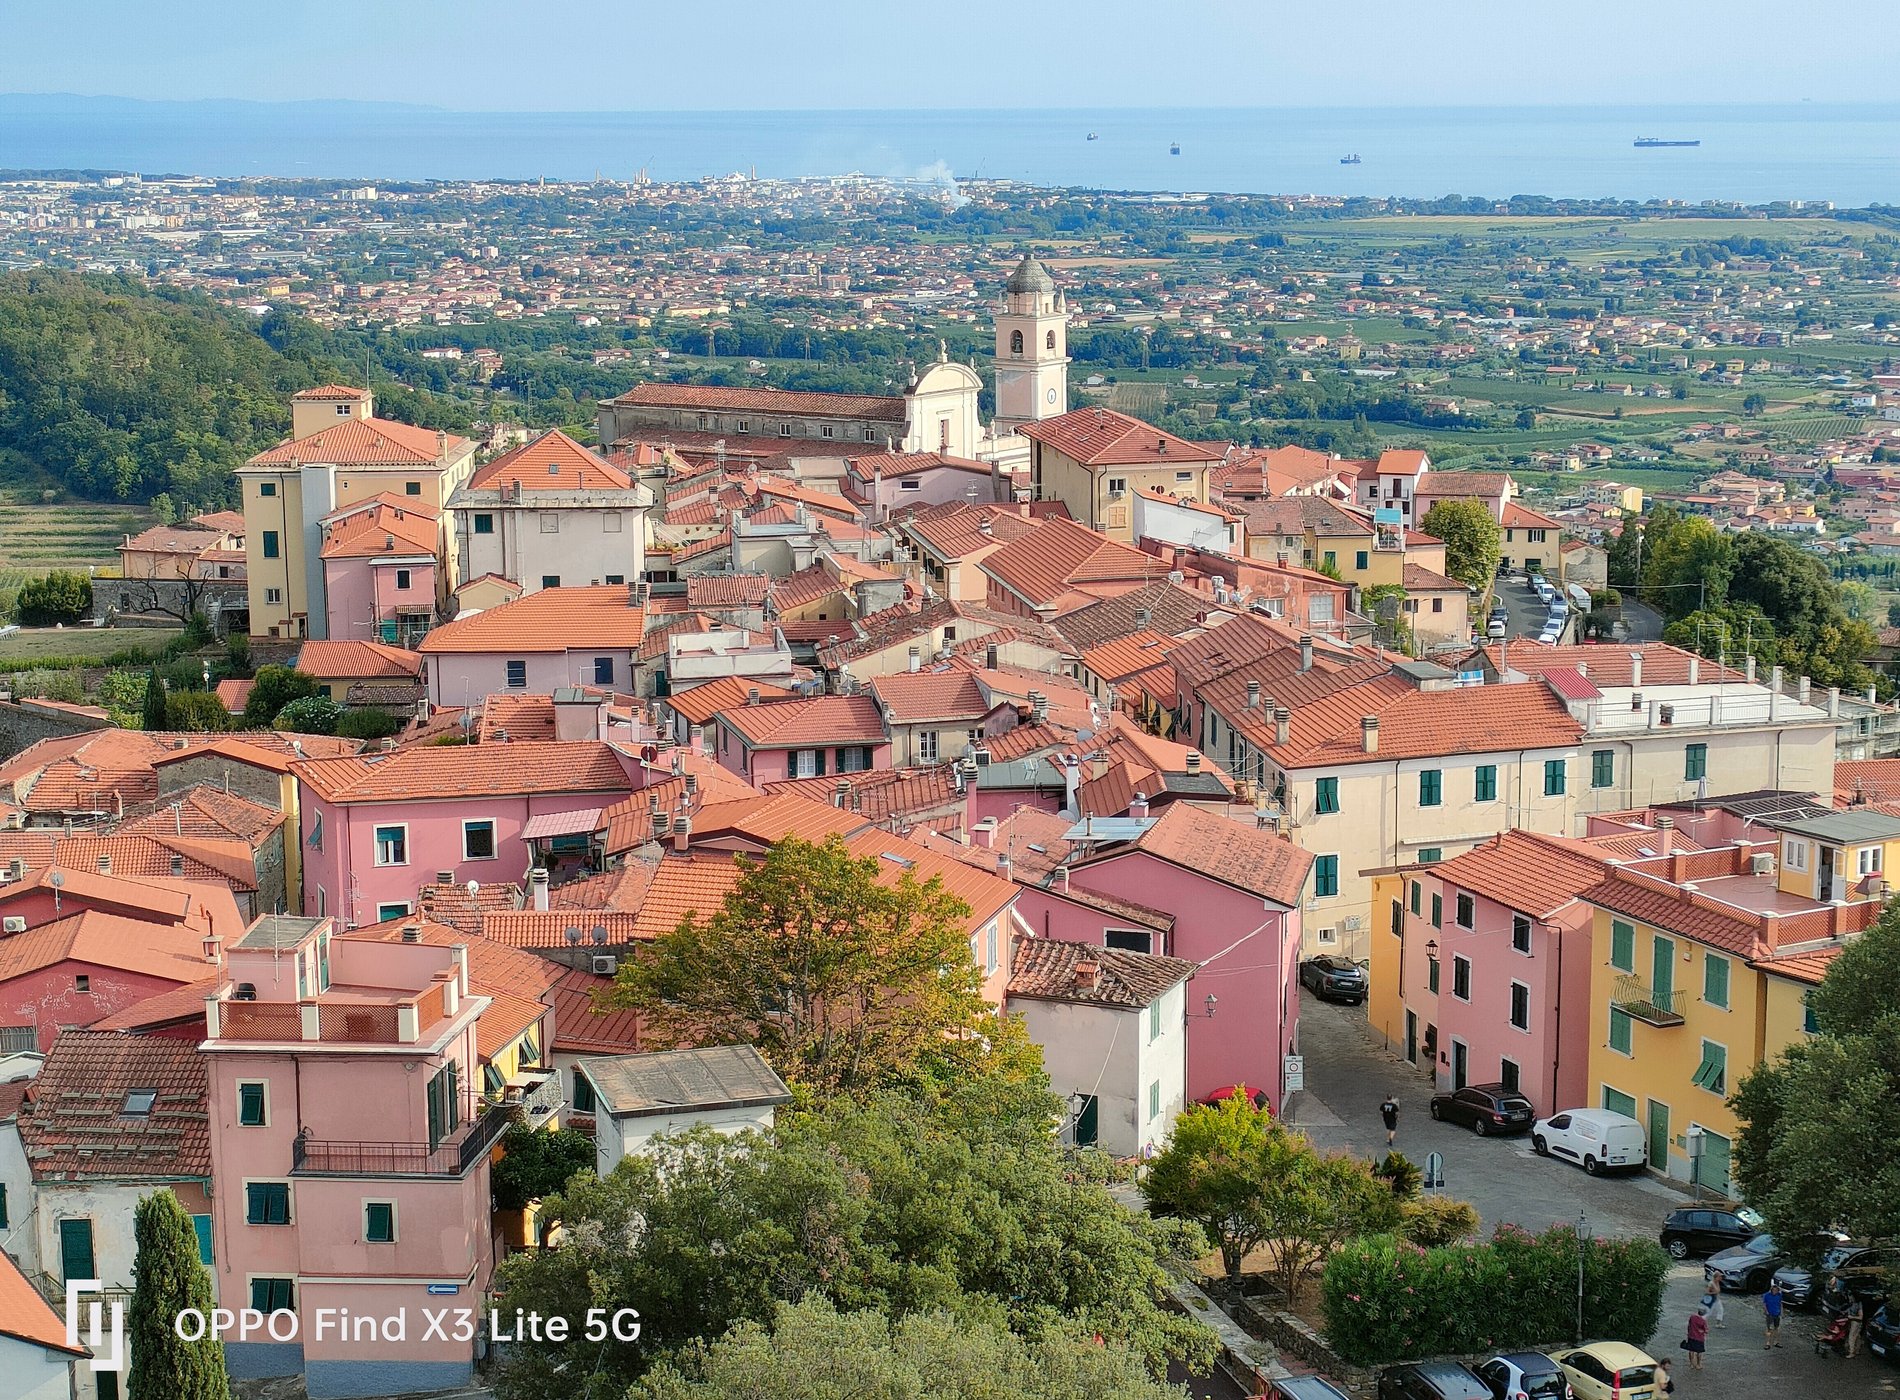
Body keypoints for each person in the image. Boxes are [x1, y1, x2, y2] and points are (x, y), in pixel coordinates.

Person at [1684, 1305, 1708, 1370]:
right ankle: (1698, 1364)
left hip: (1691, 1336)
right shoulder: (1703, 1320)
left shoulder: (1692, 1317)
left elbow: (1689, 1325)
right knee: (1699, 1352)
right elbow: (1706, 1330)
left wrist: (1689, 1333)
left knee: (1691, 1350)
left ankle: (1691, 1364)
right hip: (1699, 1338)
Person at [1762, 1278, 1783, 1348]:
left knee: (1776, 1328)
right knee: (1769, 1329)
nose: (1775, 1291)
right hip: (1770, 1314)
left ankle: (1776, 1342)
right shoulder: (1767, 1295)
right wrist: (1766, 1312)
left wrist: (1780, 1311)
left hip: (1776, 1314)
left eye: (1776, 1290)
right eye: (1774, 1289)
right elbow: (1764, 1304)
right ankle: (1767, 1343)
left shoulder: (1779, 1295)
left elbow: (1780, 1303)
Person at [1845, 1292, 1866, 1359]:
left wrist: (1852, 1317)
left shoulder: (1858, 1304)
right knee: (1857, 1336)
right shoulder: (1851, 1303)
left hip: (1856, 1322)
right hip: (1852, 1321)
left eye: (1851, 1297)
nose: (1850, 1298)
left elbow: (1860, 1317)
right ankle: (1857, 1350)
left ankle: (1852, 1352)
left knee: (1852, 1336)